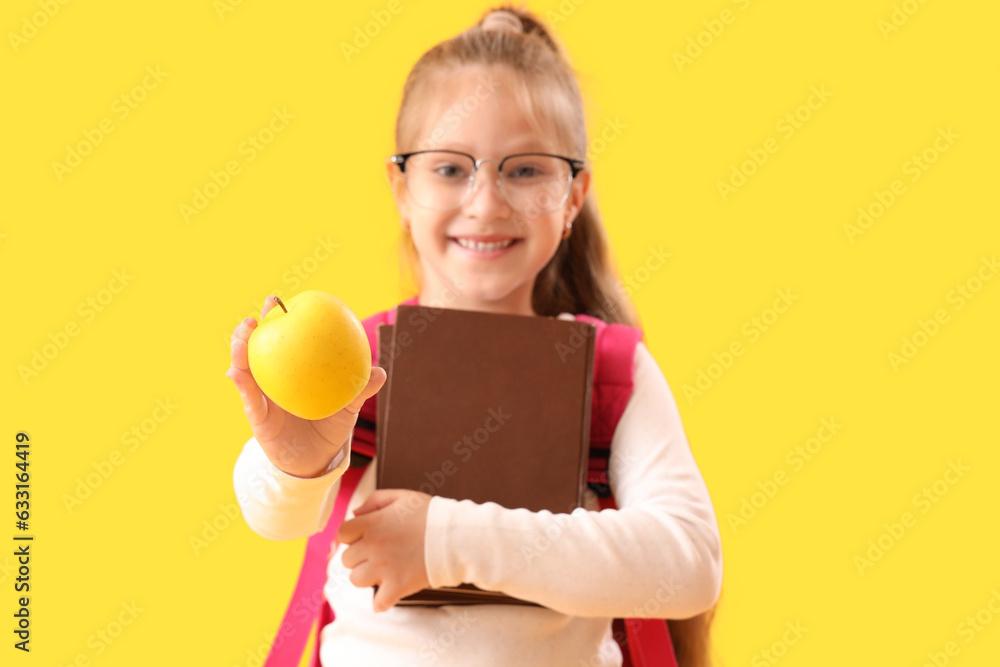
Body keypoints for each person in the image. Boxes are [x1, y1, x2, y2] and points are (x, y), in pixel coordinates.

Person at [226, 6, 722, 666]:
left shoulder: (611, 371)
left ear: (573, 196)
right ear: (400, 188)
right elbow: (277, 519)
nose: (486, 203)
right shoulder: (359, 358)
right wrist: (295, 462)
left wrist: (445, 536)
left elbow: (687, 564)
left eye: (525, 170)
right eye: (450, 169)